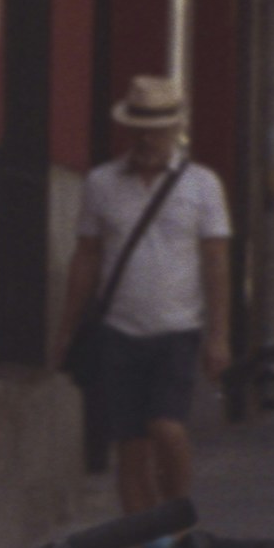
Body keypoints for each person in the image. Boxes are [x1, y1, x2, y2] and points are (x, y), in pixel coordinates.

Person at [62, 75, 231, 514]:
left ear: (174, 129)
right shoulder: (101, 183)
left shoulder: (202, 185)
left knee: (167, 427)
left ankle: (176, 517)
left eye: (156, 127)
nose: (146, 136)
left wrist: (219, 336)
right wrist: (67, 327)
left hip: (178, 329)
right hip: (118, 331)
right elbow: (86, 258)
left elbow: (216, 261)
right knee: (131, 449)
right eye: (138, 126)